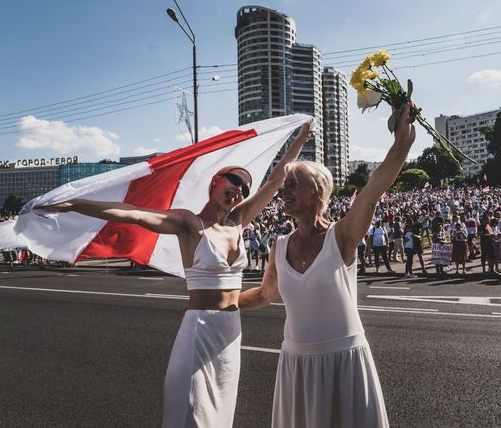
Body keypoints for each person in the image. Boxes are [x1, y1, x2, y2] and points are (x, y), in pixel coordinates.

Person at [41, 122, 312, 427]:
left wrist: (300, 138)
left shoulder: (239, 222)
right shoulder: (188, 223)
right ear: (215, 182)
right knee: (191, 415)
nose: (240, 189)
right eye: (234, 180)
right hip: (199, 331)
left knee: (220, 417)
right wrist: (76, 204)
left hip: (230, 336)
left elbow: (275, 180)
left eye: (245, 187)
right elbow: (134, 212)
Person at [239, 103, 415, 428]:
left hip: (343, 362)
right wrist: (220, 302)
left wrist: (401, 144)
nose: (284, 191)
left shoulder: (341, 236)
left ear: (317, 191)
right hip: (296, 364)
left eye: (293, 184)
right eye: (284, 185)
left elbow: (372, 192)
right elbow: (265, 295)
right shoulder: (278, 247)